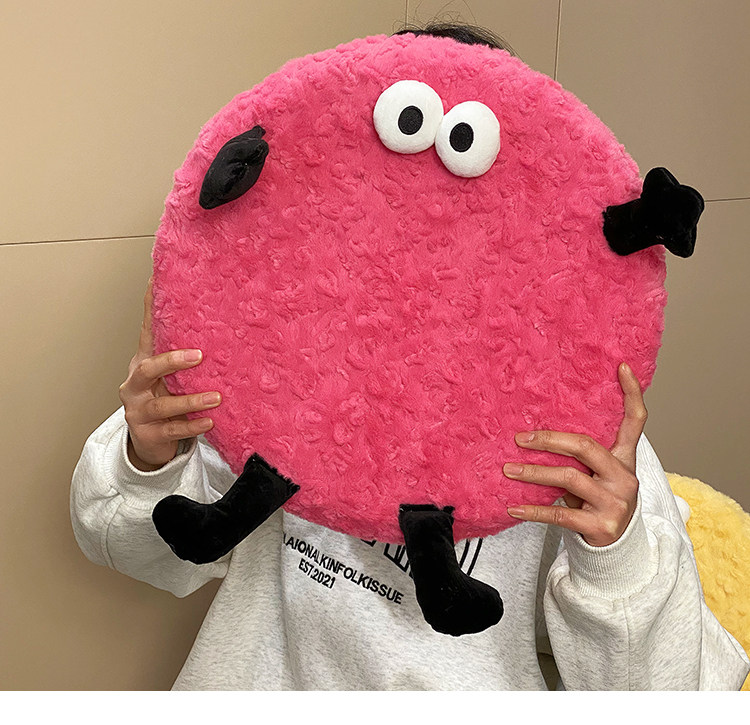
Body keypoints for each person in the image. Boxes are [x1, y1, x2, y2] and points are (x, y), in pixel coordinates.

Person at [71, 280, 750, 690]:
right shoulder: (284, 378)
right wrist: (149, 457)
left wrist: (614, 555)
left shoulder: (577, 440)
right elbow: (136, 551)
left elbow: (667, 712)